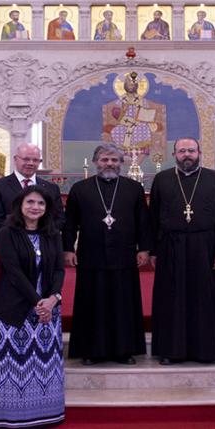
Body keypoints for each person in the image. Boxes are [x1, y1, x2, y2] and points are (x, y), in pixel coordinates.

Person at [63, 144, 152, 364]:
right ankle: (91, 351)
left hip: (124, 255)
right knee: (91, 302)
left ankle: (124, 350)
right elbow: (70, 223)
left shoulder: (133, 188)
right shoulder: (80, 189)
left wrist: (144, 249)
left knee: (123, 303)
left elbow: (143, 222)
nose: (109, 164)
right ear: (95, 162)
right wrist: (67, 249)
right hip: (91, 255)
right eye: (104, 160)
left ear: (121, 163)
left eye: (114, 160)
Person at [149, 138, 215, 364]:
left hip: (205, 247)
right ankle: (170, 351)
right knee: (171, 299)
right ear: (174, 154)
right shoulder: (162, 179)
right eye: (182, 151)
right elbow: (153, 217)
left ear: (199, 152)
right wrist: (153, 250)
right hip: (170, 246)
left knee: (205, 298)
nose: (187, 154)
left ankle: (205, 350)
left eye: (191, 150)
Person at [0, 186, 65, 428]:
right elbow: (12, 271)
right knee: (17, 364)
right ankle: (15, 416)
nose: (35, 207)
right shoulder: (7, 232)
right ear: (20, 206)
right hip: (15, 309)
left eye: (41, 204)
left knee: (46, 364)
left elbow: (59, 269)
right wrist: (38, 302)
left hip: (48, 311)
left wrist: (53, 298)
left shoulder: (52, 234)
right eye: (30, 202)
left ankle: (48, 413)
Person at [0, 143, 64, 240]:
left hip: (44, 244)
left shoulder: (51, 188)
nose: (30, 163)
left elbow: (58, 219)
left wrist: (37, 236)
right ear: (15, 159)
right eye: (26, 159)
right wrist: (23, 237)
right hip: (8, 244)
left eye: (35, 160)